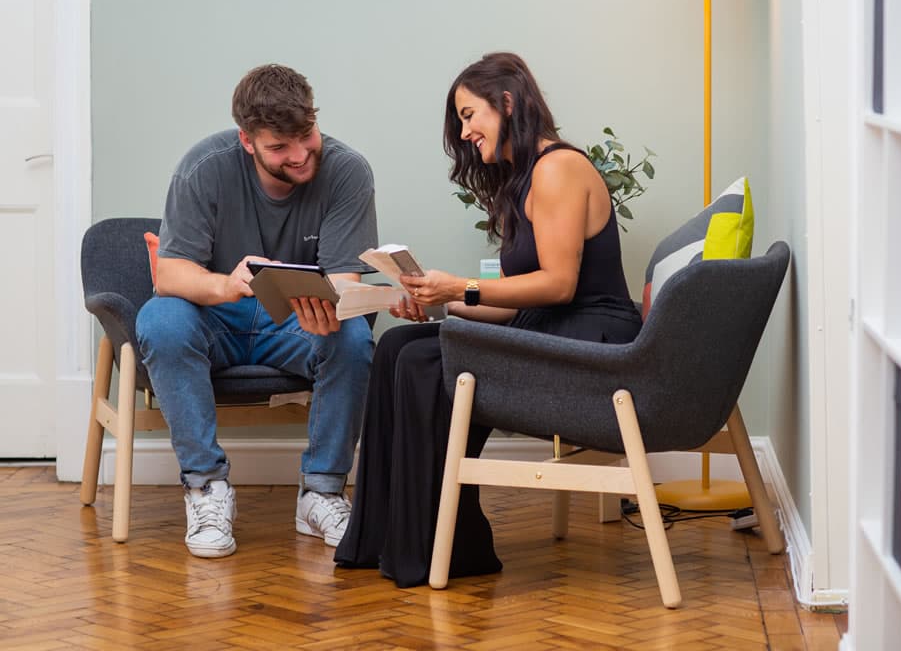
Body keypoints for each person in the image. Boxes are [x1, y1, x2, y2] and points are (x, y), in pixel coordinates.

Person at [334, 52, 642, 586]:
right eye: (460, 119)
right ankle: (386, 539)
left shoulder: (558, 168)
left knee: (425, 363)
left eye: (469, 113)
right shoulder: (521, 182)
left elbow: (559, 283)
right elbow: (514, 301)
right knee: (398, 346)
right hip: (550, 327)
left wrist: (462, 287)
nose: (465, 130)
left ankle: (446, 545)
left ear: (507, 102)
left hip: (592, 339)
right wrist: (438, 299)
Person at [136, 63, 377, 558]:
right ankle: (206, 488)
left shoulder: (348, 170)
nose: (300, 155)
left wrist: (331, 305)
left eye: (306, 136)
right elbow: (171, 275)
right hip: (215, 318)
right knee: (160, 321)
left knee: (352, 338)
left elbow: (345, 282)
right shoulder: (204, 167)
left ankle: (322, 492)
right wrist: (226, 283)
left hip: (293, 320)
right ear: (247, 141)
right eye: (278, 147)